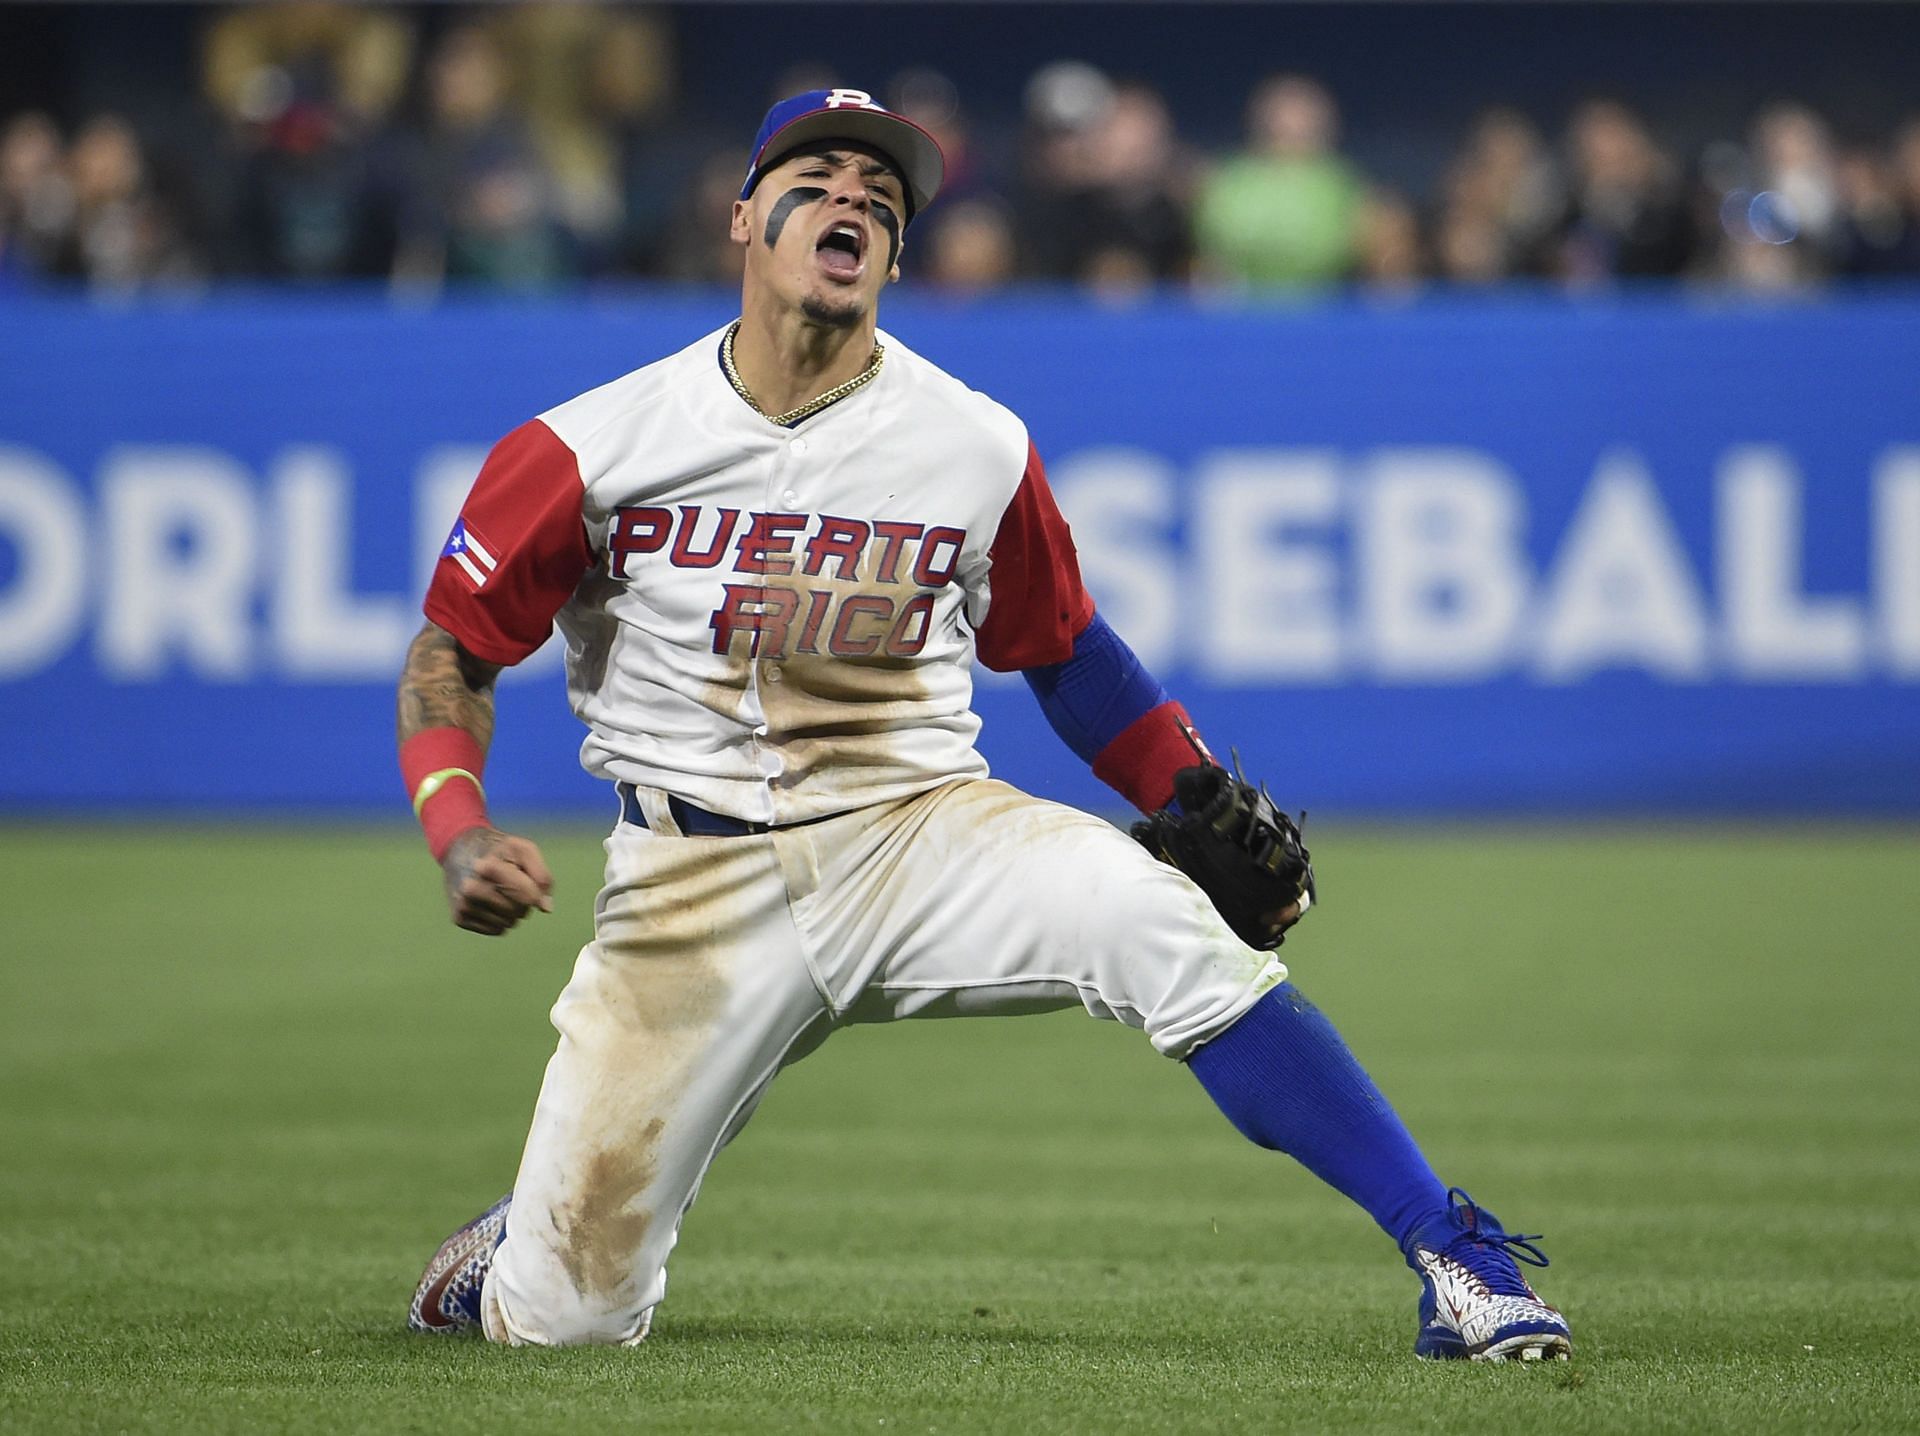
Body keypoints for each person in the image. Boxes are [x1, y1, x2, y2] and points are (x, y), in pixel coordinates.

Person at [397, 87, 1572, 1362]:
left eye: (883, 193)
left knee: (1157, 922)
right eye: (819, 174)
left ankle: (1457, 1252)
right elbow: (455, 652)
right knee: (561, 1323)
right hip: (690, 884)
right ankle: (527, 1248)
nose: (853, 195)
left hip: (918, 831)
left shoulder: (972, 442)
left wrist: (1185, 798)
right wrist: (455, 825)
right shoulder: (593, 443)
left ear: (896, 254)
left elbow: (1065, 651)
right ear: (743, 216)